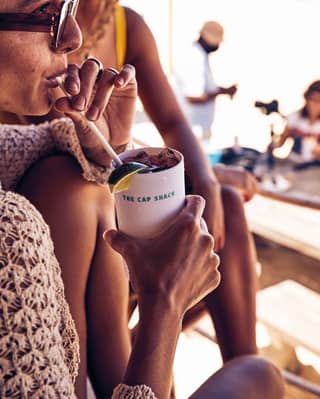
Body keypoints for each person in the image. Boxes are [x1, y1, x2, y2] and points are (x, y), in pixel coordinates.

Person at [0, 1, 286, 398]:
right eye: (47, 9)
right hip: (89, 228)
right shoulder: (12, 230)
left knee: (224, 205)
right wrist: (163, 307)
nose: (72, 40)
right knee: (261, 377)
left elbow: (25, 145)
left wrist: (113, 149)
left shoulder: (125, 25)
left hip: (91, 214)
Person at [174, 20, 238, 142]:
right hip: (192, 130)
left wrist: (224, 90)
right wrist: (221, 92)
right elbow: (194, 97)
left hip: (198, 128)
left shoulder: (200, 55)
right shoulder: (195, 57)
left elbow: (204, 88)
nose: (218, 46)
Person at [269, 80, 320, 166]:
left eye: (319, 101)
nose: (315, 104)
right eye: (313, 99)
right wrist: (273, 144)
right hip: (294, 164)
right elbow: (280, 143)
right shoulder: (295, 117)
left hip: (315, 168)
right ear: (306, 99)